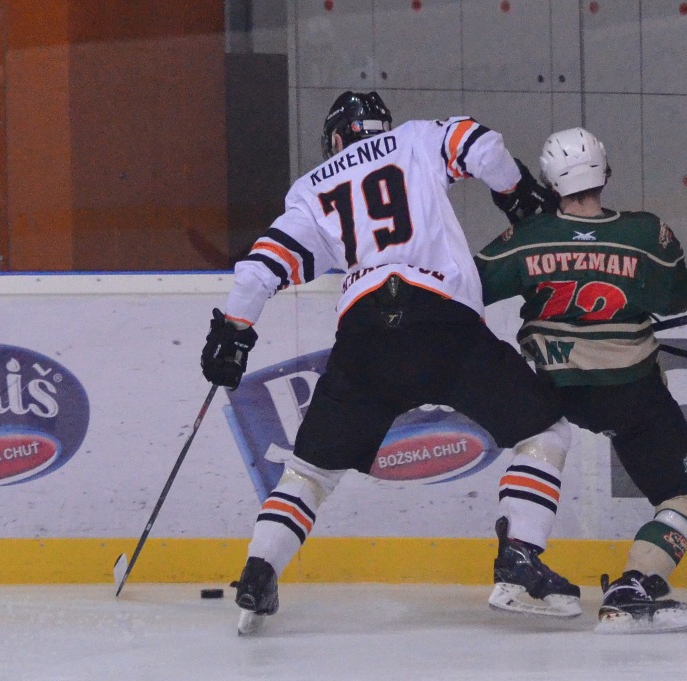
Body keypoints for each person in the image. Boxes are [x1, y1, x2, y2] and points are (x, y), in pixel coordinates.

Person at [200, 91, 582, 635]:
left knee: (311, 471)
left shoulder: (312, 187)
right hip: (442, 322)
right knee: (544, 430)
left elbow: (260, 269)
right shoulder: (416, 138)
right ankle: (519, 560)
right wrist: (514, 189)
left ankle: (259, 572)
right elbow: (480, 143)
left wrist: (233, 334)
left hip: (365, 338)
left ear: (336, 138)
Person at [475, 127, 687, 634]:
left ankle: (520, 552)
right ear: (605, 172)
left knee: (542, 439)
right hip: (631, 393)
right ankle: (634, 584)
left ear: (551, 181)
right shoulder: (646, 233)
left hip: (556, 386)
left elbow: (466, 286)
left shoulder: (529, 235)